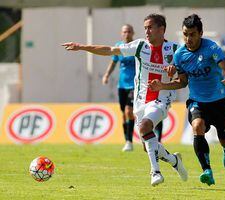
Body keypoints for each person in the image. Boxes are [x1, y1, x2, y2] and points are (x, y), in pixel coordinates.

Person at [62, 13, 188, 187]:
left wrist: (166, 82)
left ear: (162, 29)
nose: (147, 31)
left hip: (161, 100)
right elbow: (109, 50)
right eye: (145, 28)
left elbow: (183, 82)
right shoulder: (139, 46)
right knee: (147, 145)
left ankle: (155, 171)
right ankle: (174, 160)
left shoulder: (175, 50)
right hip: (140, 101)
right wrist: (82, 47)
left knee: (145, 127)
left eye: (150, 27)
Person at [149, 14, 225, 186]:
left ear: (201, 33)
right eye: (185, 34)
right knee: (197, 127)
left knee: (224, 140)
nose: (188, 38)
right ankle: (207, 170)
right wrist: (162, 86)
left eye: (192, 34)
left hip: (220, 102)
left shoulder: (211, 48)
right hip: (197, 102)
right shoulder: (180, 55)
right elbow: (182, 82)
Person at [102, 24, 136, 152]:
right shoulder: (119, 46)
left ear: (133, 33)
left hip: (134, 84)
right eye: (124, 32)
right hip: (121, 85)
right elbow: (113, 62)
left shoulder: (136, 46)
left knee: (129, 111)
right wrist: (106, 75)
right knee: (123, 114)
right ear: (121, 33)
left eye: (128, 31)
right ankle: (127, 139)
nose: (126, 34)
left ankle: (129, 141)